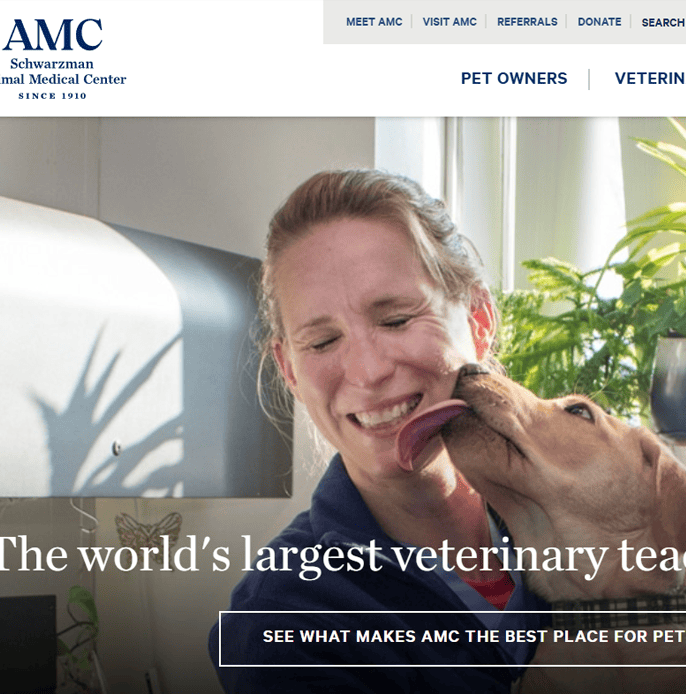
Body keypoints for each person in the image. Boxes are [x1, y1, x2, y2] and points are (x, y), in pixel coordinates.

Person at [209, 169, 548, 693]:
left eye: (395, 321)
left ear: (478, 321)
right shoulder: (282, 618)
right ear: (290, 370)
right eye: (322, 342)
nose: (367, 372)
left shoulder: (573, 521)